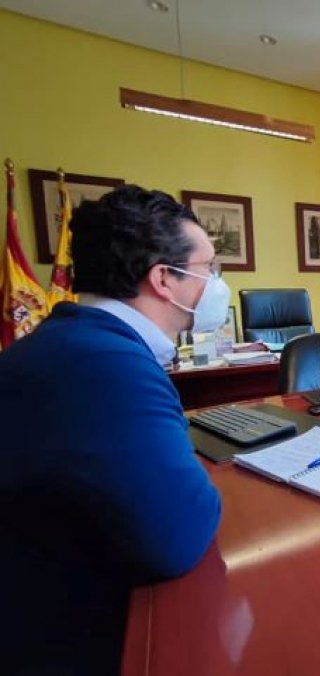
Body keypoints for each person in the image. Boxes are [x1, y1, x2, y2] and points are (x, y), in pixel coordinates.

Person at [0, 185, 224, 675]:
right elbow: (177, 536)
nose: (215, 283)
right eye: (209, 268)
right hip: (58, 641)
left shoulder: (70, 341)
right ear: (163, 279)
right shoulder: (106, 363)